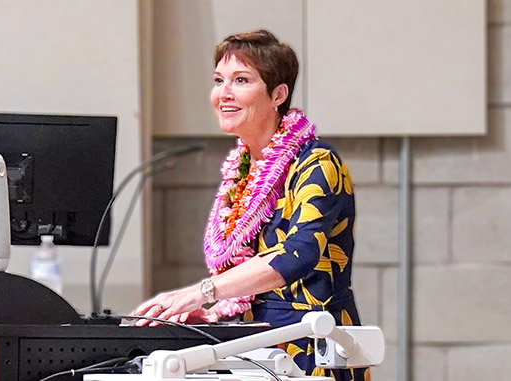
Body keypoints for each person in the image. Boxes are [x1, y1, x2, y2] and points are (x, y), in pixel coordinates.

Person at [132, 29, 368, 380]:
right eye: (218, 80)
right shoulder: (242, 170)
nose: (223, 94)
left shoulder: (317, 163)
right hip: (255, 349)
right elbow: (243, 271)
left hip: (314, 349)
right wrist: (217, 313)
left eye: (240, 80)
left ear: (278, 95)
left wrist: (202, 293)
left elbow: (296, 255)